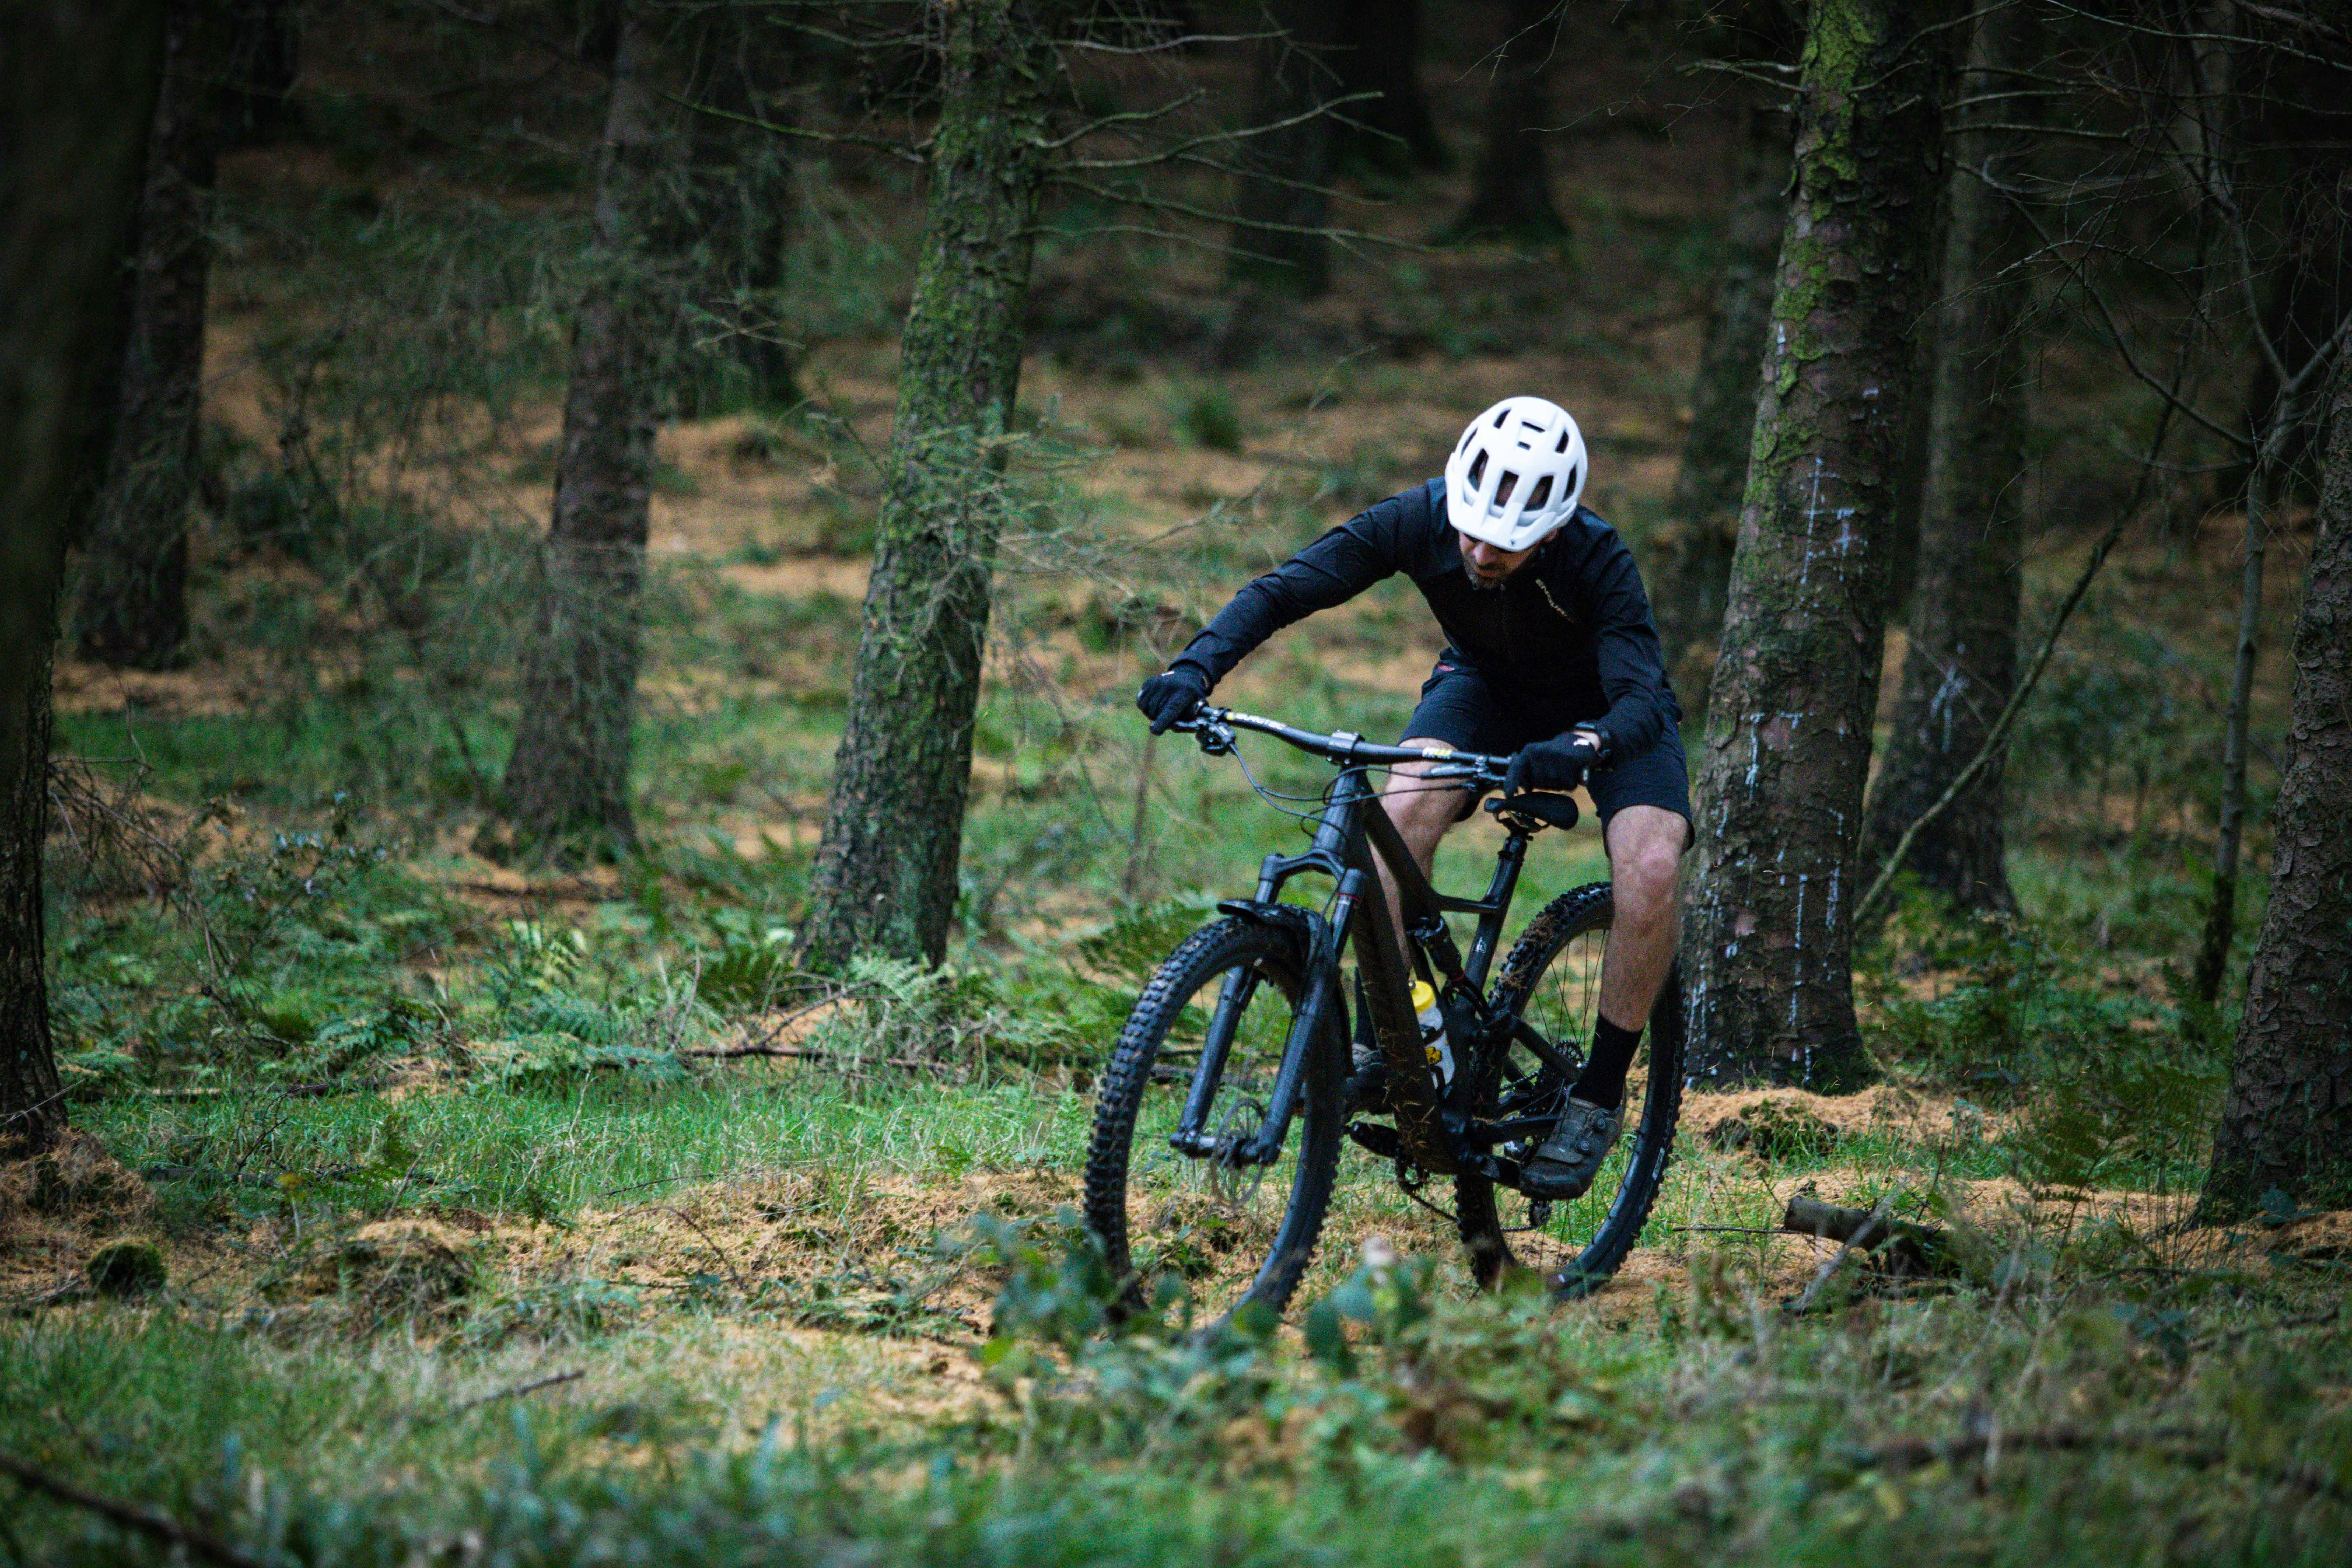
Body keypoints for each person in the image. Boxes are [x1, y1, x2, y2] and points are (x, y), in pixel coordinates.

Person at [1133, 395, 1691, 1201]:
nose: (1477, 552)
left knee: (1649, 864)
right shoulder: (1419, 518)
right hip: (1483, 688)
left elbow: (1641, 697)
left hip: (1605, 719)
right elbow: (1290, 587)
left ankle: (1598, 1097)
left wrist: (1583, 745)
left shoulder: (1597, 559)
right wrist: (1197, 666)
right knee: (1399, 814)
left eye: (1504, 545)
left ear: (1552, 531)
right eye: (1469, 529)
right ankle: (1389, 1043)